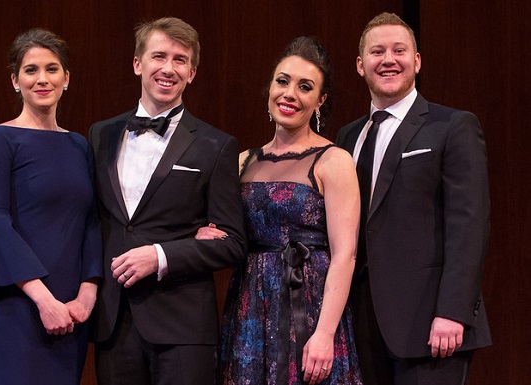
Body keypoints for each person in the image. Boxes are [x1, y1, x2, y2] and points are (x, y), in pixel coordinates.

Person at [88, 17, 246, 385]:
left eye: (180, 60)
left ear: (192, 72)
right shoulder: (100, 135)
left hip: (182, 324)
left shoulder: (216, 145)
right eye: (159, 56)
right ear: (137, 63)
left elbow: (234, 243)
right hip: (114, 321)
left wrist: (160, 255)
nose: (168, 68)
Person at [336, 12, 491, 385]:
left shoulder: (452, 126)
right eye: (377, 52)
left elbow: (469, 224)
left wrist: (453, 311)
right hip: (360, 324)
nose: (388, 59)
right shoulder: (346, 137)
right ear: (360, 65)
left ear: (417, 61)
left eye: (399, 50)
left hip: (431, 325)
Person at [198, 37, 363, 385]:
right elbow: (230, 234)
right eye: (283, 81)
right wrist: (207, 233)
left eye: (305, 87)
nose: (290, 93)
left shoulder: (334, 161)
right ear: (270, 87)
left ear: (320, 101)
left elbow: (345, 255)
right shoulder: (243, 160)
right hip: (250, 309)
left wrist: (324, 333)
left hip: (310, 306)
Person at [0, 28, 102, 385]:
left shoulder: (80, 145)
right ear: (15, 79)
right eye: (31, 70)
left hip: (71, 314)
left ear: (66, 78)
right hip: (19, 309)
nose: (42, 79)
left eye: (52, 69)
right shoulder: (0, 139)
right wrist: (44, 301)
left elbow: (90, 222)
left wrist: (86, 294)